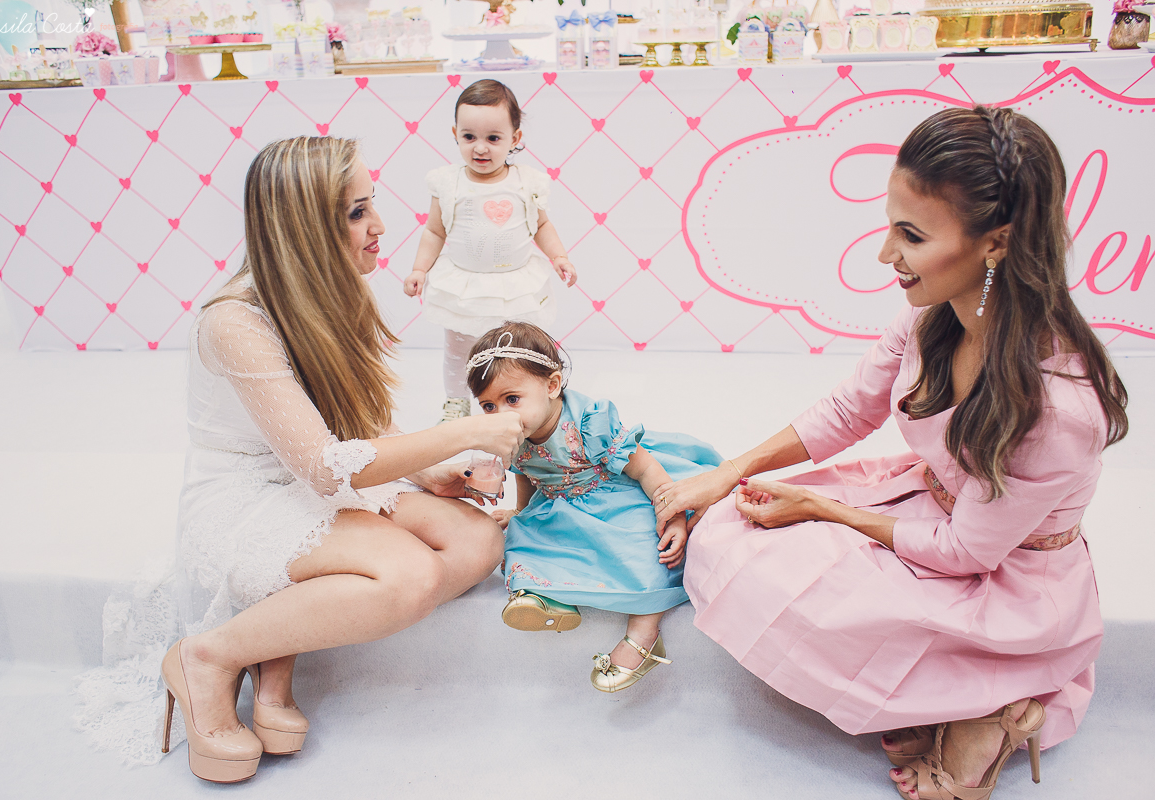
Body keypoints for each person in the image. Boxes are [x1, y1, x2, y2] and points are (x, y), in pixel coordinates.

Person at [652, 107, 1128, 800]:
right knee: (729, 530)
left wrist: (819, 506)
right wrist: (728, 473)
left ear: (994, 244)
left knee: (827, 605)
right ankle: (951, 696)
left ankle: (995, 703)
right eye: (890, 225)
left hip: (1006, 580)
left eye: (911, 235)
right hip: (924, 509)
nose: (885, 255)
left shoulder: (1057, 409)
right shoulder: (935, 310)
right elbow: (850, 410)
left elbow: (968, 553)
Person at [81, 136, 527, 783]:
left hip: (314, 479)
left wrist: (429, 472)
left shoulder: (332, 292)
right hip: (249, 496)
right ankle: (208, 656)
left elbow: (355, 421)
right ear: (301, 227)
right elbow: (323, 466)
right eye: (354, 212)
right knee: (408, 576)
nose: (378, 226)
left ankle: (275, 644)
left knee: (478, 541)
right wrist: (471, 438)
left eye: (369, 204)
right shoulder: (234, 321)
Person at [470, 321, 723, 692]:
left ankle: (644, 631)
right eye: (488, 406)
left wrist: (672, 514)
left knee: (647, 549)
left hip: (615, 490)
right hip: (559, 502)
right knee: (522, 540)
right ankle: (546, 600)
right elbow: (526, 474)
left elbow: (645, 467)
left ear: (552, 385)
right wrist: (520, 510)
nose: (501, 414)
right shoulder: (512, 435)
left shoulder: (590, 422)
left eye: (512, 399)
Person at [403, 79, 577, 424]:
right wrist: (420, 269)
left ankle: (525, 398)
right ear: (455, 133)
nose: (480, 148)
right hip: (463, 284)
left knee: (519, 347)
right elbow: (435, 231)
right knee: (457, 349)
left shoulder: (526, 182)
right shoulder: (448, 182)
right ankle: (455, 402)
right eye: (469, 137)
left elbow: (541, 225)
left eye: (493, 138)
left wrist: (559, 256)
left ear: (515, 138)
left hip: (514, 284)